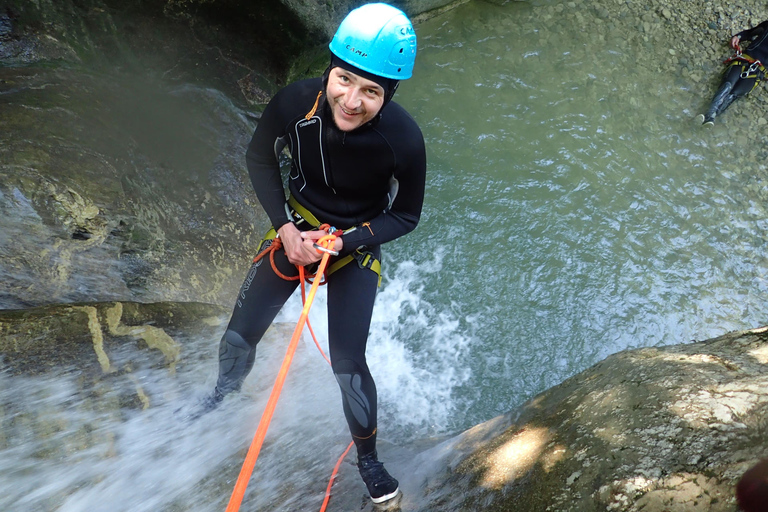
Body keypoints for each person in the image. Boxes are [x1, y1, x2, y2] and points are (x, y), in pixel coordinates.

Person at [201, 2, 425, 505]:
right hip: (293, 230)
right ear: (329, 68)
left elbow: (405, 216)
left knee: (348, 361)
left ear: (390, 93)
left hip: (353, 246)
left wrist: (346, 242)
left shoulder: (404, 140)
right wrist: (284, 228)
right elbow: (259, 157)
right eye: (344, 80)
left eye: (372, 91)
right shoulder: (293, 103)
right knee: (240, 335)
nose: (352, 100)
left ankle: (368, 459)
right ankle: (218, 401)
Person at [698, 20, 768, 126]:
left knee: (735, 94)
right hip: (744, 60)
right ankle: (710, 115)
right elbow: (750, 33)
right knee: (727, 84)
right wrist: (738, 37)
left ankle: (710, 118)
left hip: (759, 71)